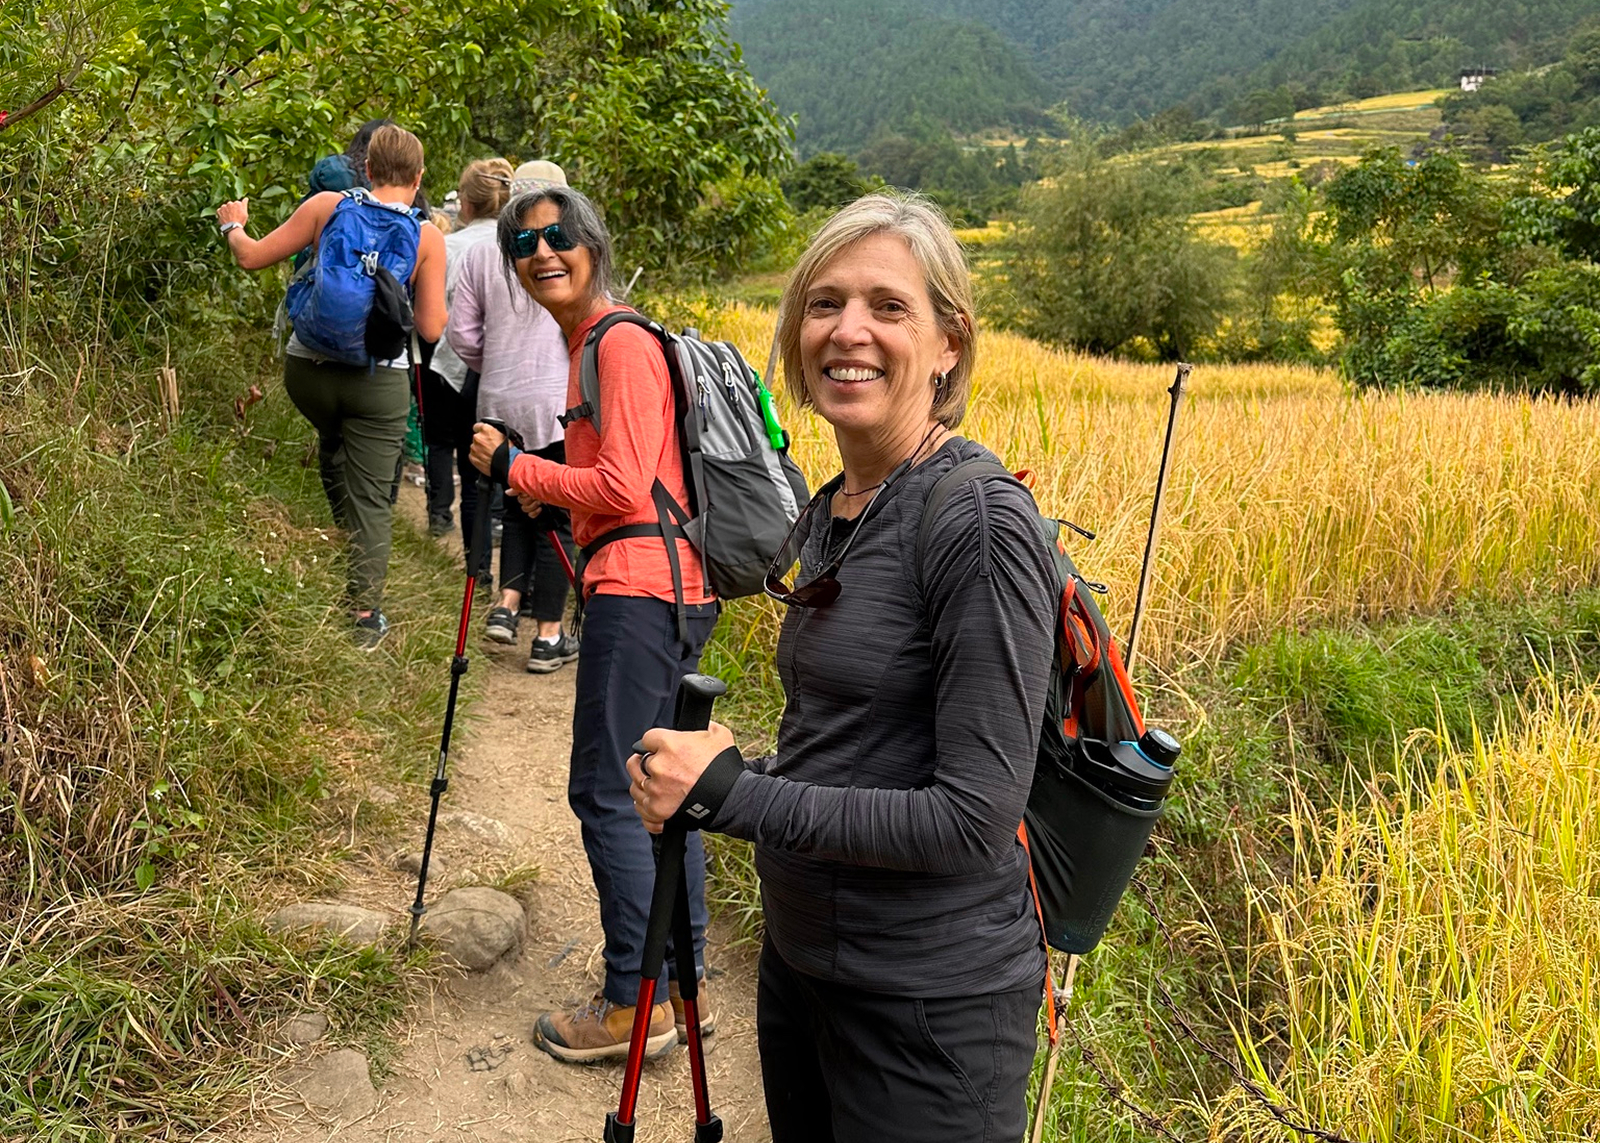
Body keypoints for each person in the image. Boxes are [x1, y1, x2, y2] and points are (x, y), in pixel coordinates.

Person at [624, 192, 1059, 1142]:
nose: (846, 330)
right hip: (808, 968)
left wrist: (734, 794)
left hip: (927, 1013)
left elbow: (974, 817)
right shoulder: (834, 507)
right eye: (823, 304)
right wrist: (733, 779)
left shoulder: (978, 523)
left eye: (887, 306)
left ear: (949, 341)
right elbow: (850, 748)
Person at [468, 186, 717, 1061]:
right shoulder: (595, 346)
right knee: (664, 794)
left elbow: (620, 486)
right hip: (659, 586)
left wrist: (521, 469)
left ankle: (628, 1005)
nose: (542, 252)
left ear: (592, 244)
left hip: (646, 593)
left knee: (611, 792)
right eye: (524, 241)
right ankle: (680, 991)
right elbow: (620, 492)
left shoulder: (617, 342)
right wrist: (547, 498)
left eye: (558, 236)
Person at [217, 124, 446, 648]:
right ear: (417, 177)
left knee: (334, 439)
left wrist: (233, 224)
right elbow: (432, 329)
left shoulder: (326, 206)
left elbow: (251, 256)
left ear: (365, 169)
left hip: (308, 374)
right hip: (378, 384)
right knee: (372, 499)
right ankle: (365, 615)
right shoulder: (427, 236)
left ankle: (343, 533)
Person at [447, 162, 579, 672]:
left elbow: (461, 335)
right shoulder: (568, 251)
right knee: (555, 515)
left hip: (496, 403)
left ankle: (505, 607)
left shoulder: (485, 250)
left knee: (514, 501)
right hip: (555, 404)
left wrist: (495, 361)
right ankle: (548, 636)